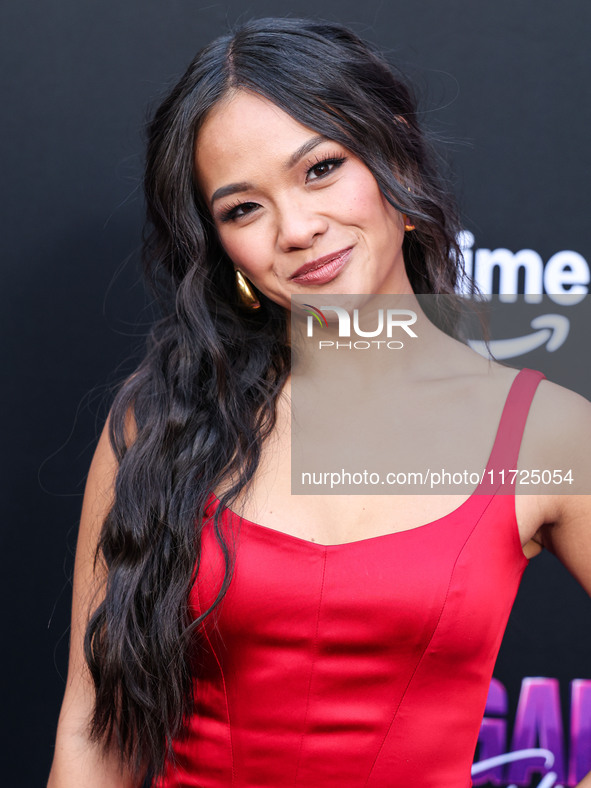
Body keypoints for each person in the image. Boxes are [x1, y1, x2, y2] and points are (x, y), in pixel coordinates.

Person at [48, 17, 591, 788]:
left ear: (393, 152)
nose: (297, 229)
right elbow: (92, 727)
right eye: (243, 209)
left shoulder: (544, 433)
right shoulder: (158, 422)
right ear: (219, 245)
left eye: (320, 168)